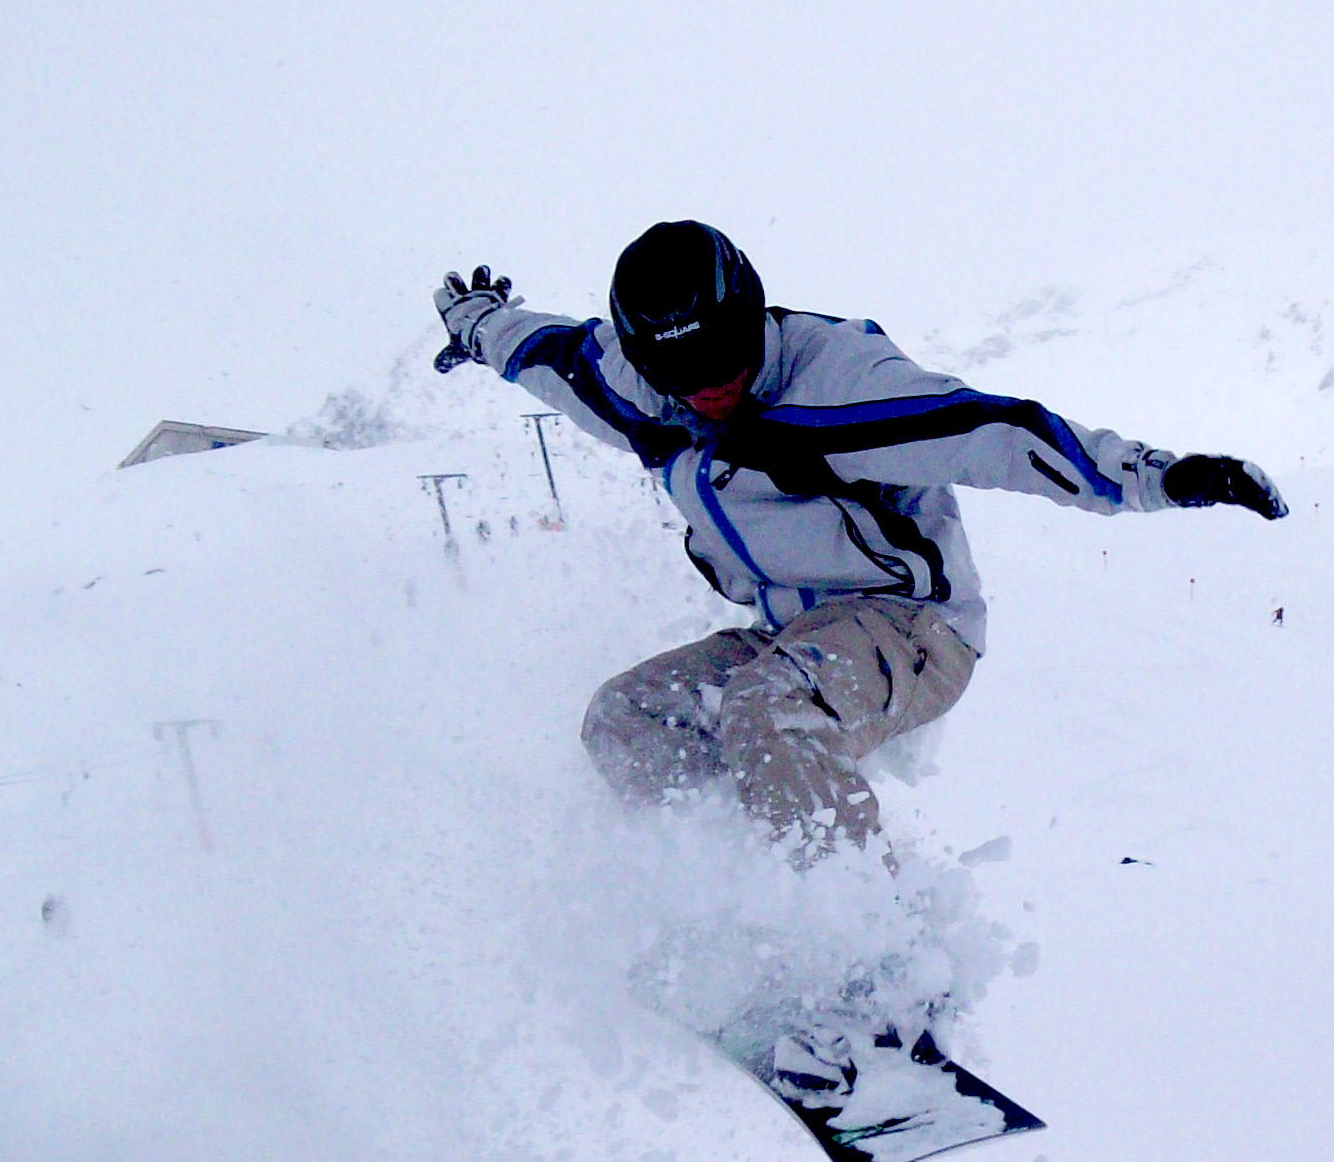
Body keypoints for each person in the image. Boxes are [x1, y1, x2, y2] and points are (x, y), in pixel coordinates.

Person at [435, 226, 1286, 854]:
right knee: (627, 719)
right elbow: (542, 352)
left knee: (766, 712)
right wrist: (477, 321)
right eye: (682, 379)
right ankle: (719, 891)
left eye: (727, 358)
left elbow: (996, 432)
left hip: (915, 628)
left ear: (752, 316)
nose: (712, 391)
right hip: (788, 635)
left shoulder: (838, 384)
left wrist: (1162, 477)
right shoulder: (640, 392)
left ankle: (862, 960)